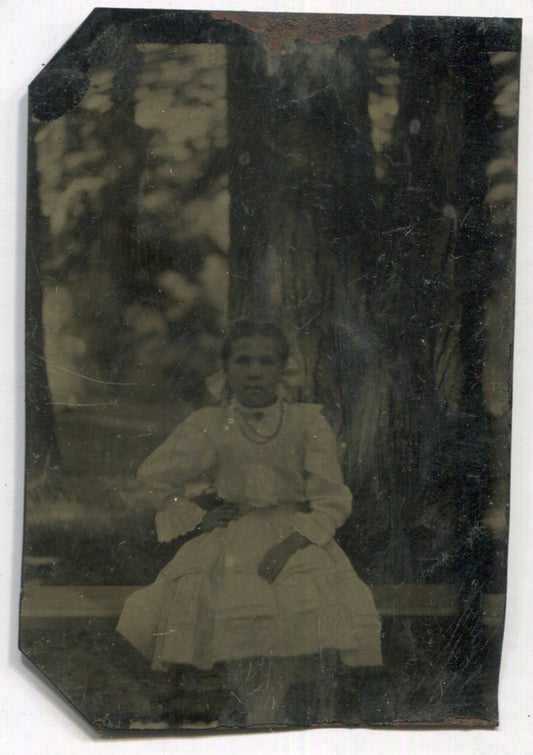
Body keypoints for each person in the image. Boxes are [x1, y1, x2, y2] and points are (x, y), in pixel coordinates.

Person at [117, 319, 382, 726]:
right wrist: (199, 517)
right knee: (230, 612)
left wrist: (293, 543)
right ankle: (255, 718)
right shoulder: (209, 424)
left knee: (295, 607)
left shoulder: (308, 422)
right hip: (233, 540)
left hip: (298, 542)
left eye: (265, 361)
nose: (254, 372)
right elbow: (152, 478)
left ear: (281, 369)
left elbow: (331, 499)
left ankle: (265, 718)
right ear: (227, 369)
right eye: (243, 361)